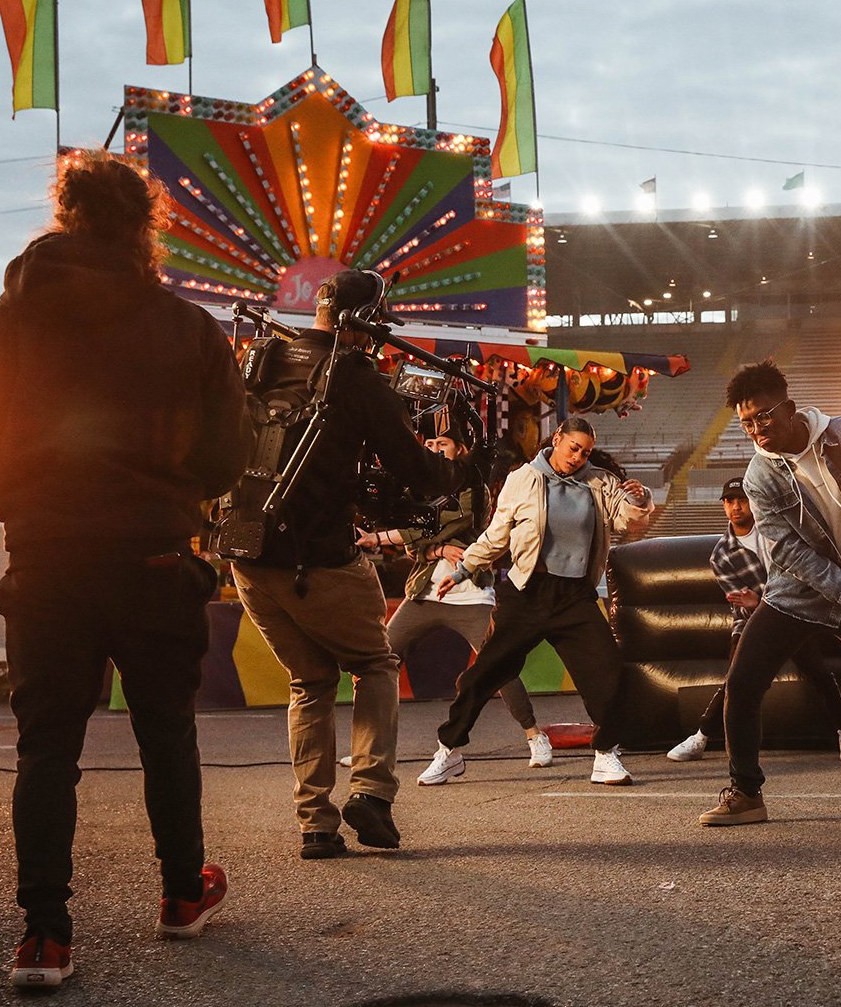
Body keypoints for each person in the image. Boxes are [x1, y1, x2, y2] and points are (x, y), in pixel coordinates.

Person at [0, 151, 249, 987]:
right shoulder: (187, 327)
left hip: (45, 562)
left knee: (46, 749)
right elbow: (229, 452)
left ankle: (44, 937)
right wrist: (169, 499)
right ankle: (183, 896)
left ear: (64, 216)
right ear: (143, 225)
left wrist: (32, 513)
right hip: (153, 557)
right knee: (165, 731)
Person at [226, 269, 466, 860]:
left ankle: (316, 824)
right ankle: (372, 793)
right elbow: (417, 470)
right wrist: (461, 470)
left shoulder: (265, 359)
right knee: (376, 664)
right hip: (318, 562)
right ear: (369, 321)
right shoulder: (354, 377)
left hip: (247, 555)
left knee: (309, 681)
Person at [699, 362, 841, 830]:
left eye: (764, 417)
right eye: (747, 424)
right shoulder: (759, 476)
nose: (757, 431)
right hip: (798, 593)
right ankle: (746, 793)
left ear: (790, 408)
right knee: (743, 683)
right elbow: (785, 549)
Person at [418, 418, 659, 786]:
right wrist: (464, 569)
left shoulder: (599, 481)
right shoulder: (523, 478)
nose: (578, 457)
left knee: (608, 673)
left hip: (575, 597)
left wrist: (640, 498)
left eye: (586, 452)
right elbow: (497, 535)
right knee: (485, 674)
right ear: (558, 439)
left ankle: (605, 754)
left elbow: (627, 519)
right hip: (526, 593)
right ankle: (448, 750)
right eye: (573, 447)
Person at [353, 432, 552, 777]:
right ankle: (369, 747)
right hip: (424, 594)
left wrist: (381, 538)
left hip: (470, 594)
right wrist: (436, 550)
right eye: (428, 445)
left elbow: (442, 523)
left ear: (460, 449)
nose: (432, 450)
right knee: (376, 663)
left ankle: (535, 736)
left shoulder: (474, 488)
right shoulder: (419, 490)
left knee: (497, 668)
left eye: (441, 444)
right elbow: (415, 545)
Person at [665, 477, 841, 764]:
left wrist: (760, 600)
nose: (736, 507)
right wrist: (757, 605)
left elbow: (801, 576)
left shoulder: (775, 532)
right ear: (723, 506)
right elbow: (741, 605)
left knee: (817, 671)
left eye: (742, 500)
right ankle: (701, 737)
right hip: (750, 621)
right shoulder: (721, 555)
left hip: (795, 612)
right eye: (730, 501)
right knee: (737, 678)